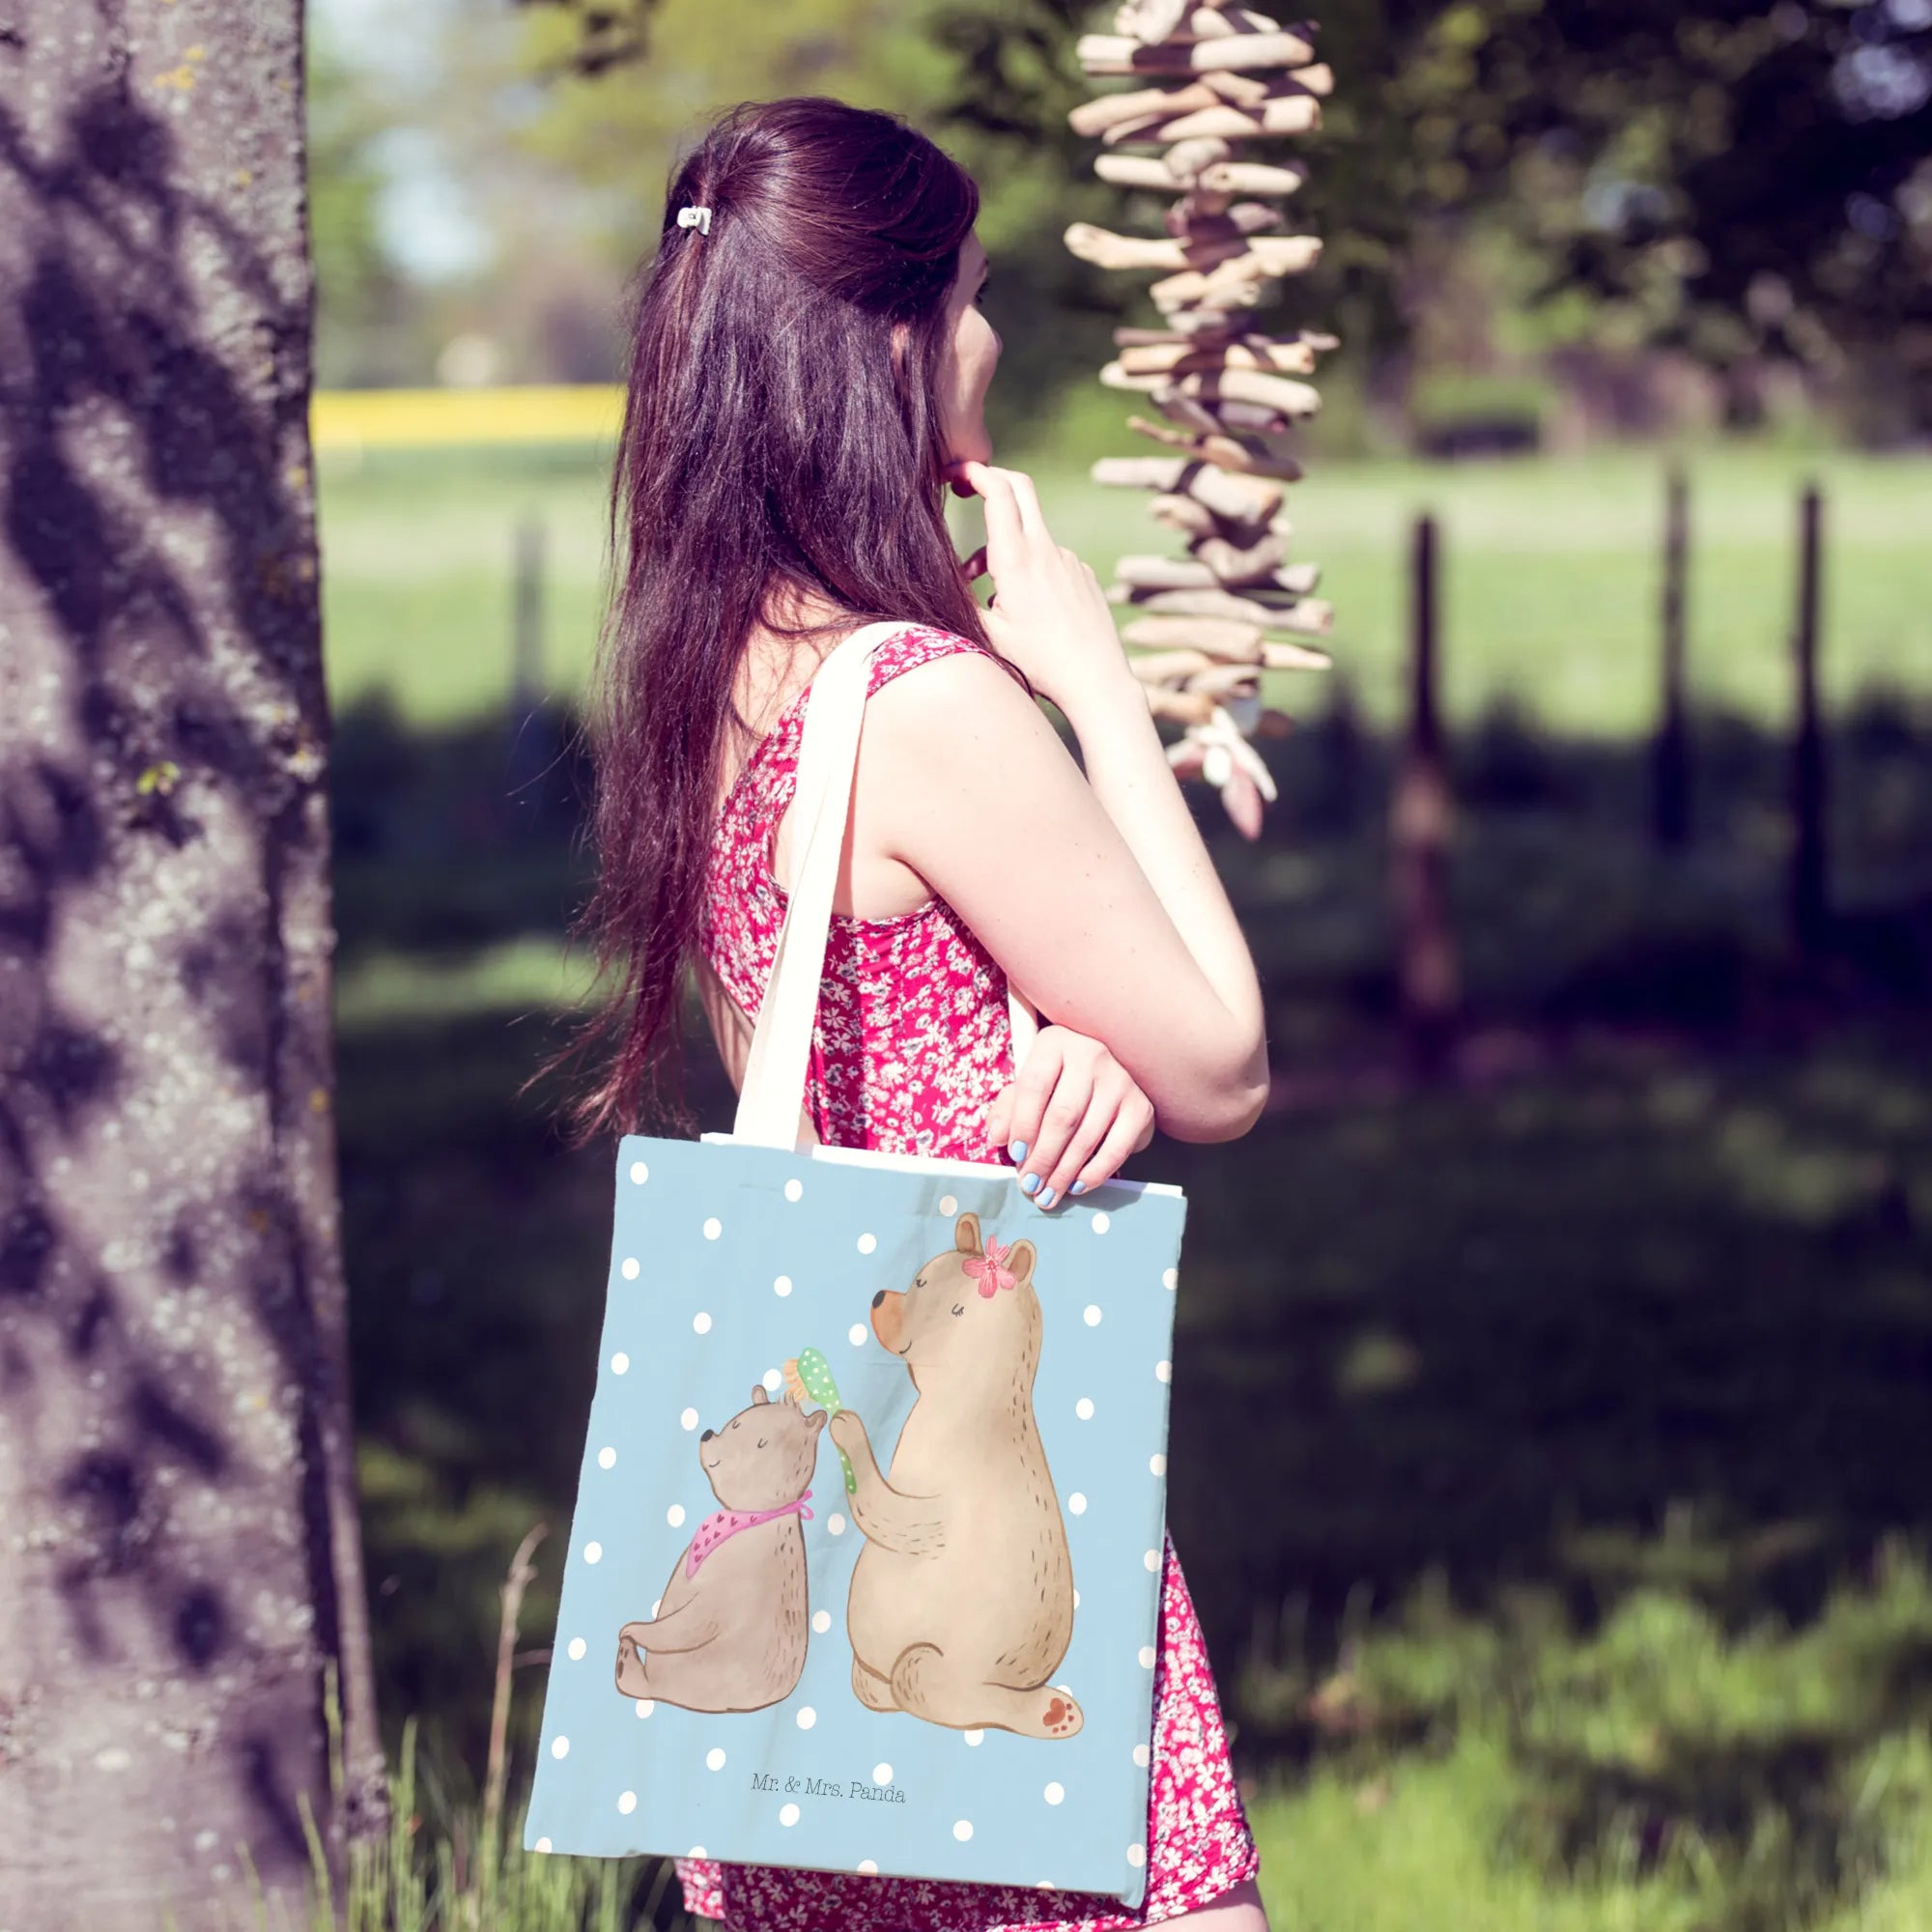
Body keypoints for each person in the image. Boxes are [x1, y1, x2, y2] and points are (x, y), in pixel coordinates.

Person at [548, 94, 1272, 1932]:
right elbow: (1223, 1062)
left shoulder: (714, 672)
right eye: (970, 295)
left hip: (815, 1669)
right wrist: (1099, 690)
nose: (991, 338)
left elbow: (828, 1045)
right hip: (985, 1563)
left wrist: (1058, 1032)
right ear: (888, 341)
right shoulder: (928, 704)